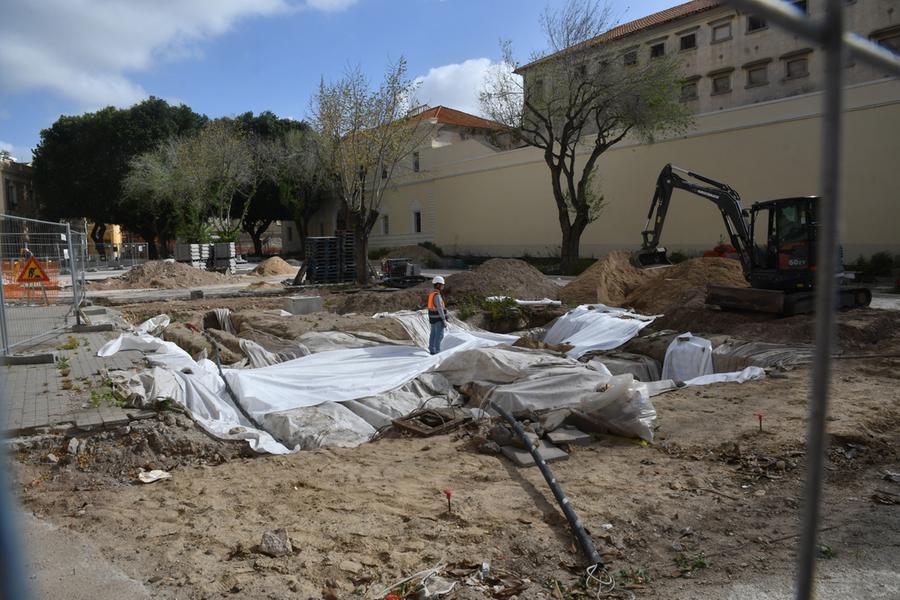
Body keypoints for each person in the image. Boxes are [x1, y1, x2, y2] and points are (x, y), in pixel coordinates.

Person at [427, 276, 448, 355]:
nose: (443, 286)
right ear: (438, 285)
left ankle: (432, 349)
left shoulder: (432, 294)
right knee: (439, 335)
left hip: (432, 318)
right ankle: (437, 352)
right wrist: (443, 319)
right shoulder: (437, 295)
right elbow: (440, 308)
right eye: (442, 284)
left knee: (433, 334)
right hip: (438, 318)